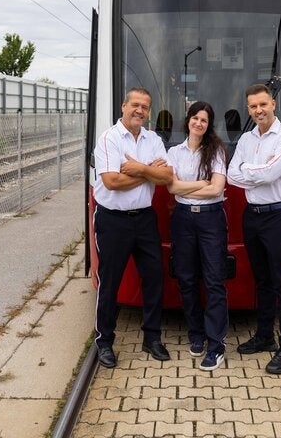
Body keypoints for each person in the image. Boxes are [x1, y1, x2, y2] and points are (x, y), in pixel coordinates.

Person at [92, 87, 174, 368]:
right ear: (123, 106)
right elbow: (112, 181)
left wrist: (138, 168)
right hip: (113, 221)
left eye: (145, 107)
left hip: (145, 219)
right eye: (135, 105)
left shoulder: (153, 139)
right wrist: (149, 170)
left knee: (154, 278)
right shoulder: (108, 139)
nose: (140, 110)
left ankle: (152, 338)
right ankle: (104, 342)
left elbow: (166, 177)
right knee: (110, 282)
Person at [226, 83, 281, 375]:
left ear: (273, 105)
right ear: (249, 109)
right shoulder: (246, 138)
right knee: (262, 281)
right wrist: (257, 171)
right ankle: (265, 336)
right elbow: (233, 175)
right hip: (252, 215)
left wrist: (252, 170)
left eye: (263, 105)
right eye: (253, 107)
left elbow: (271, 174)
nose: (258, 110)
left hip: (278, 215)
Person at [167, 101, 229, 371]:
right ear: (188, 121)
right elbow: (171, 188)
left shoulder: (215, 151)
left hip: (211, 219)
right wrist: (201, 184)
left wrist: (186, 188)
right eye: (195, 118)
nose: (199, 123)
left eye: (204, 120)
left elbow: (217, 190)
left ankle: (216, 345)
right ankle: (196, 334)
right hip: (182, 219)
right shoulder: (174, 152)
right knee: (186, 278)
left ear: (208, 125)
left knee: (214, 280)